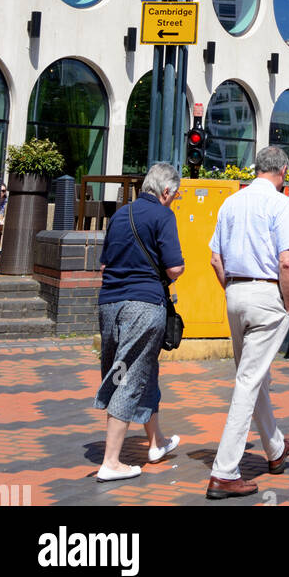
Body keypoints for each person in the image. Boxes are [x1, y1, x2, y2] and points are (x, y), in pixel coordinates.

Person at [207, 145, 289, 499]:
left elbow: (216, 258)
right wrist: (288, 302)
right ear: (282, 170)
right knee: (248, 380)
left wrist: (233, 291)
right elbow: (288, 261)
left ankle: (275, 448)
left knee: (253, 373)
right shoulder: (281, 203)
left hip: (235, 290)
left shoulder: (232, 201)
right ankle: (224, 470)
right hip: (266, 293)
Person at [93, 162, 184, 482]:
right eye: (176, 195)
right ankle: (111, 461)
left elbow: (104, 265)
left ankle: (156, 443)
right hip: (144, 306)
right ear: (167, 191)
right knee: (127, 377)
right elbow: (174, 269)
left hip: (109, 305)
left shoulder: (120, 215)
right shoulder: (163, 216)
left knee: (141, 371)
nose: (175, 200)